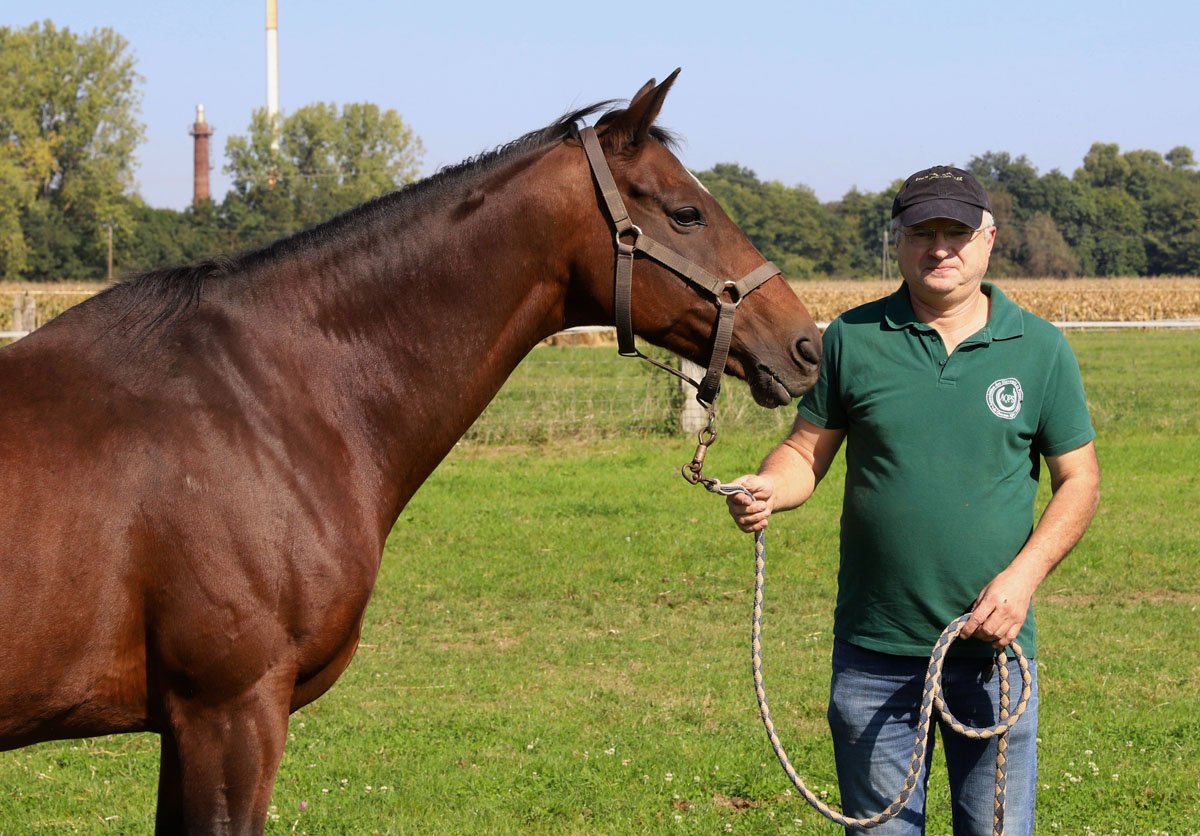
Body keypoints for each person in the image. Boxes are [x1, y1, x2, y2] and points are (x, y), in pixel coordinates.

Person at [726, 166, 1100, 835]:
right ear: (898, 240)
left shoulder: (1040, 349)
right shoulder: (853, 337)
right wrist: (769, 487)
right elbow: (805, 451)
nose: (940, 248)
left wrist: (1022, 579)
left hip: (992, 657)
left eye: (957, 232)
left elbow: (1080, 480)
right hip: (874, 656)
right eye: (923, 232)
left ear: (988, 239)